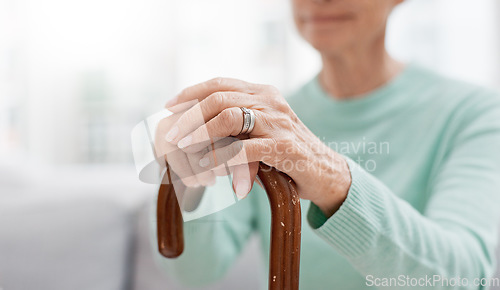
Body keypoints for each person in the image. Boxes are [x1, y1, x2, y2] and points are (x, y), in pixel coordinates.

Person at [152, 0, 500, 288]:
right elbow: (193, 271)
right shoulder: (267, 126)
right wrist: (184, 180)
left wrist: (331, 178)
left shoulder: (475, 114)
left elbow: (463, 277)